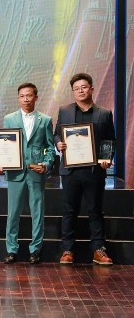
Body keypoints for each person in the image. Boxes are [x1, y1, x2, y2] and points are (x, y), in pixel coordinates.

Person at [54, 73, 116, 265]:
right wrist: (58, 144)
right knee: (69, 211)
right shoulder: (64, 110)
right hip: (70, 170)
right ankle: (67, 250)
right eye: (76, 88)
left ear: (91, 89)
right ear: (73, 92)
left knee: (95, 211)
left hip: (94, 171)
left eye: (84, 87)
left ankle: (98, 250)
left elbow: (109, 140)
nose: (80, 91)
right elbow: (57, 134)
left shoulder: (104, 113)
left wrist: (106, 158)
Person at [0, 82, 55, 264]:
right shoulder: (9, 119)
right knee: (13, 213)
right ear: (18, 98)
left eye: (29, 95)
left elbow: (50, 148)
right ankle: (11, 250)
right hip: (15, 173)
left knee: (37, 213)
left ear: (36, 97)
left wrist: (46, 164)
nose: (26, 99)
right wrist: (1, 162)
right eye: (22, 96)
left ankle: (35, 250)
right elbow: (3, 145)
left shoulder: (45, 120)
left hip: (36, 172)